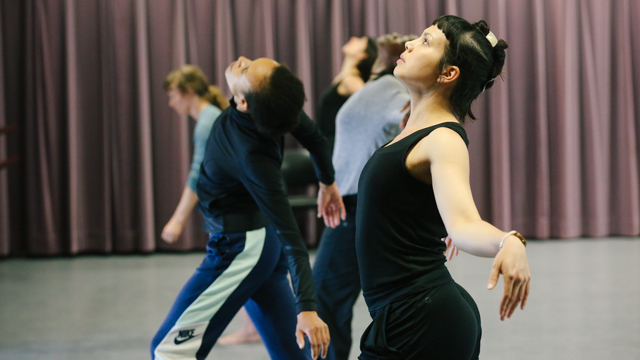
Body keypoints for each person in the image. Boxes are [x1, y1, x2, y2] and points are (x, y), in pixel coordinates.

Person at [356, 15, 531, 359]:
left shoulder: (443, 138)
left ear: (447, 74)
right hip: (408, 313)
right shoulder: (414, 130)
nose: (409, 44)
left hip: (421, 318)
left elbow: (464, 223)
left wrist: (507, 241)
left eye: (425, 42)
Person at [150, 56, 345, 360]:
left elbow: (293, 238)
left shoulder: (253, 157)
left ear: (242, 103)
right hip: (258, 244)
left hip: (241, 247)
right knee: (290, 353)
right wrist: (327, 183)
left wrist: (307, 308)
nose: (242, 61)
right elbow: (316, 140)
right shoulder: (275, 105)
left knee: (167, 352)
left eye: (248, 69)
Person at [312, 33, 414, 360]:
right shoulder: (374, 86)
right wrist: (329, 183)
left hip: (360, 207)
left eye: (417, 41)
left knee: (325, 296)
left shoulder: (396, 91)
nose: (397, 38)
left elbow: (416, 127)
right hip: (347, 199)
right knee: (329, 296)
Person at [161, 65, 229, 243]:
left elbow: (199, 175)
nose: (171, 102)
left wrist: (177, 220)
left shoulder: (207, 123)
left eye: (173, 95)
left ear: (189, 91)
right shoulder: (210, 116)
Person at [315, 36, 377, 152]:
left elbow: (374, 107)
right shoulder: (345, 78)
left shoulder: (351, 80)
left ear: (362, 55)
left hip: (336, 147)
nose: (353, 38)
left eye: (361, 40)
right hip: (330, 145)